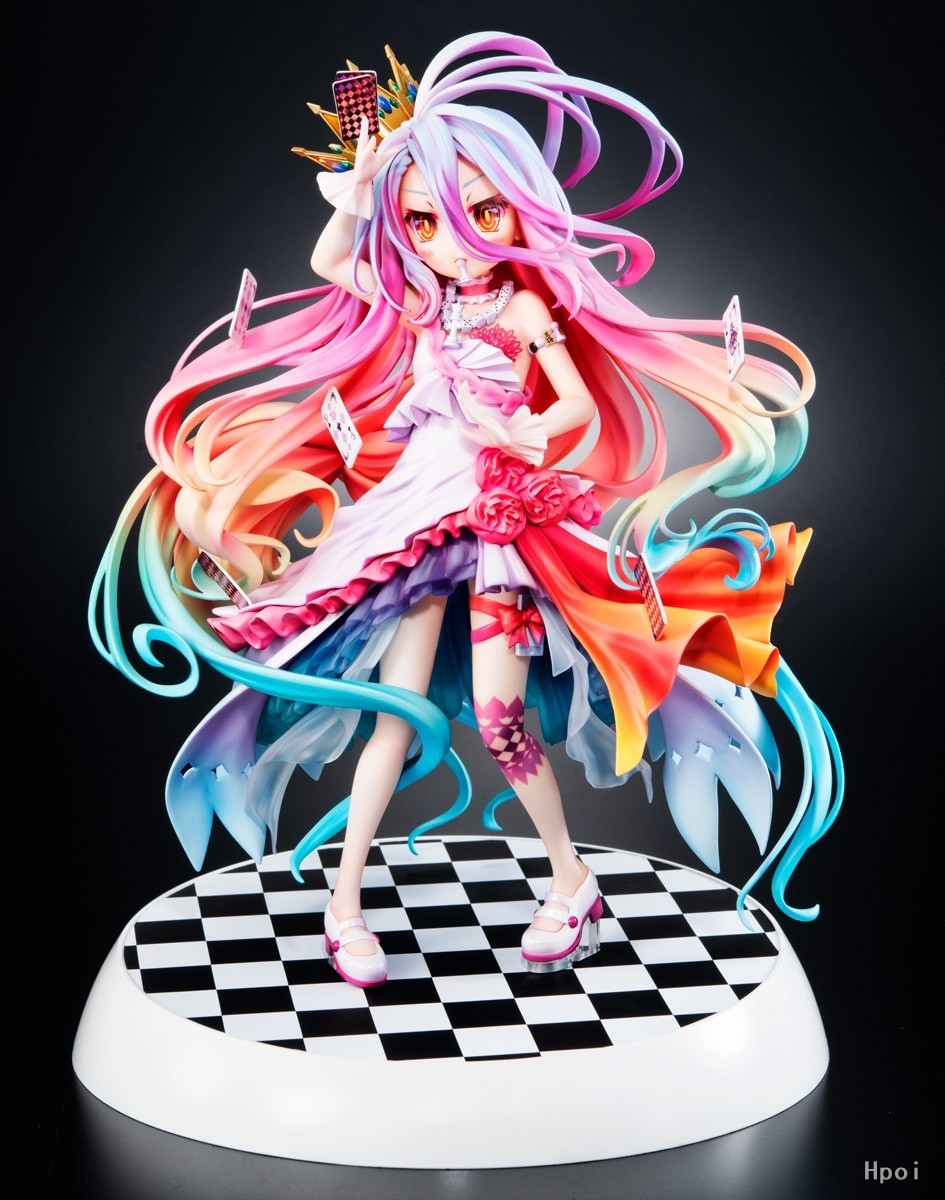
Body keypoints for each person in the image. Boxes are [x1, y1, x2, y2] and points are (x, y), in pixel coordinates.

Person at [90, 32, 842, 989]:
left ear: (516, 209)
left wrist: (525, 432)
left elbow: (575, 409)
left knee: (498, 718)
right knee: (391, 717)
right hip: (417, 520)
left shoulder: (522, 311)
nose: (449, 242)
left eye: (481, 212)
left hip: (495, 526)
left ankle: (570, 883)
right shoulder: (419, 301)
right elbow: (332, 260)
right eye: (424, 221)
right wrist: (364, 188)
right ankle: (343, 903)